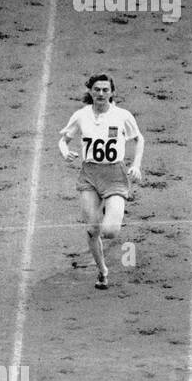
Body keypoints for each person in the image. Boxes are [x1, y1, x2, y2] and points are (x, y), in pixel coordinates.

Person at [58, 73, 144, 289]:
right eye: (97, 89)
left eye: (106, 90)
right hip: (89, 175)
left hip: (114, 174)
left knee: (110, 232)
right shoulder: (81, 115)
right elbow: (63, 139)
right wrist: (65, 151)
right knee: (92, 229)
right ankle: (102, 271)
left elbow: (138, 138)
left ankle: (109, 205)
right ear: (90, 91)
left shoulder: (122, 115)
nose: (101, 93)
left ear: (112, 92)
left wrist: (136, 164)